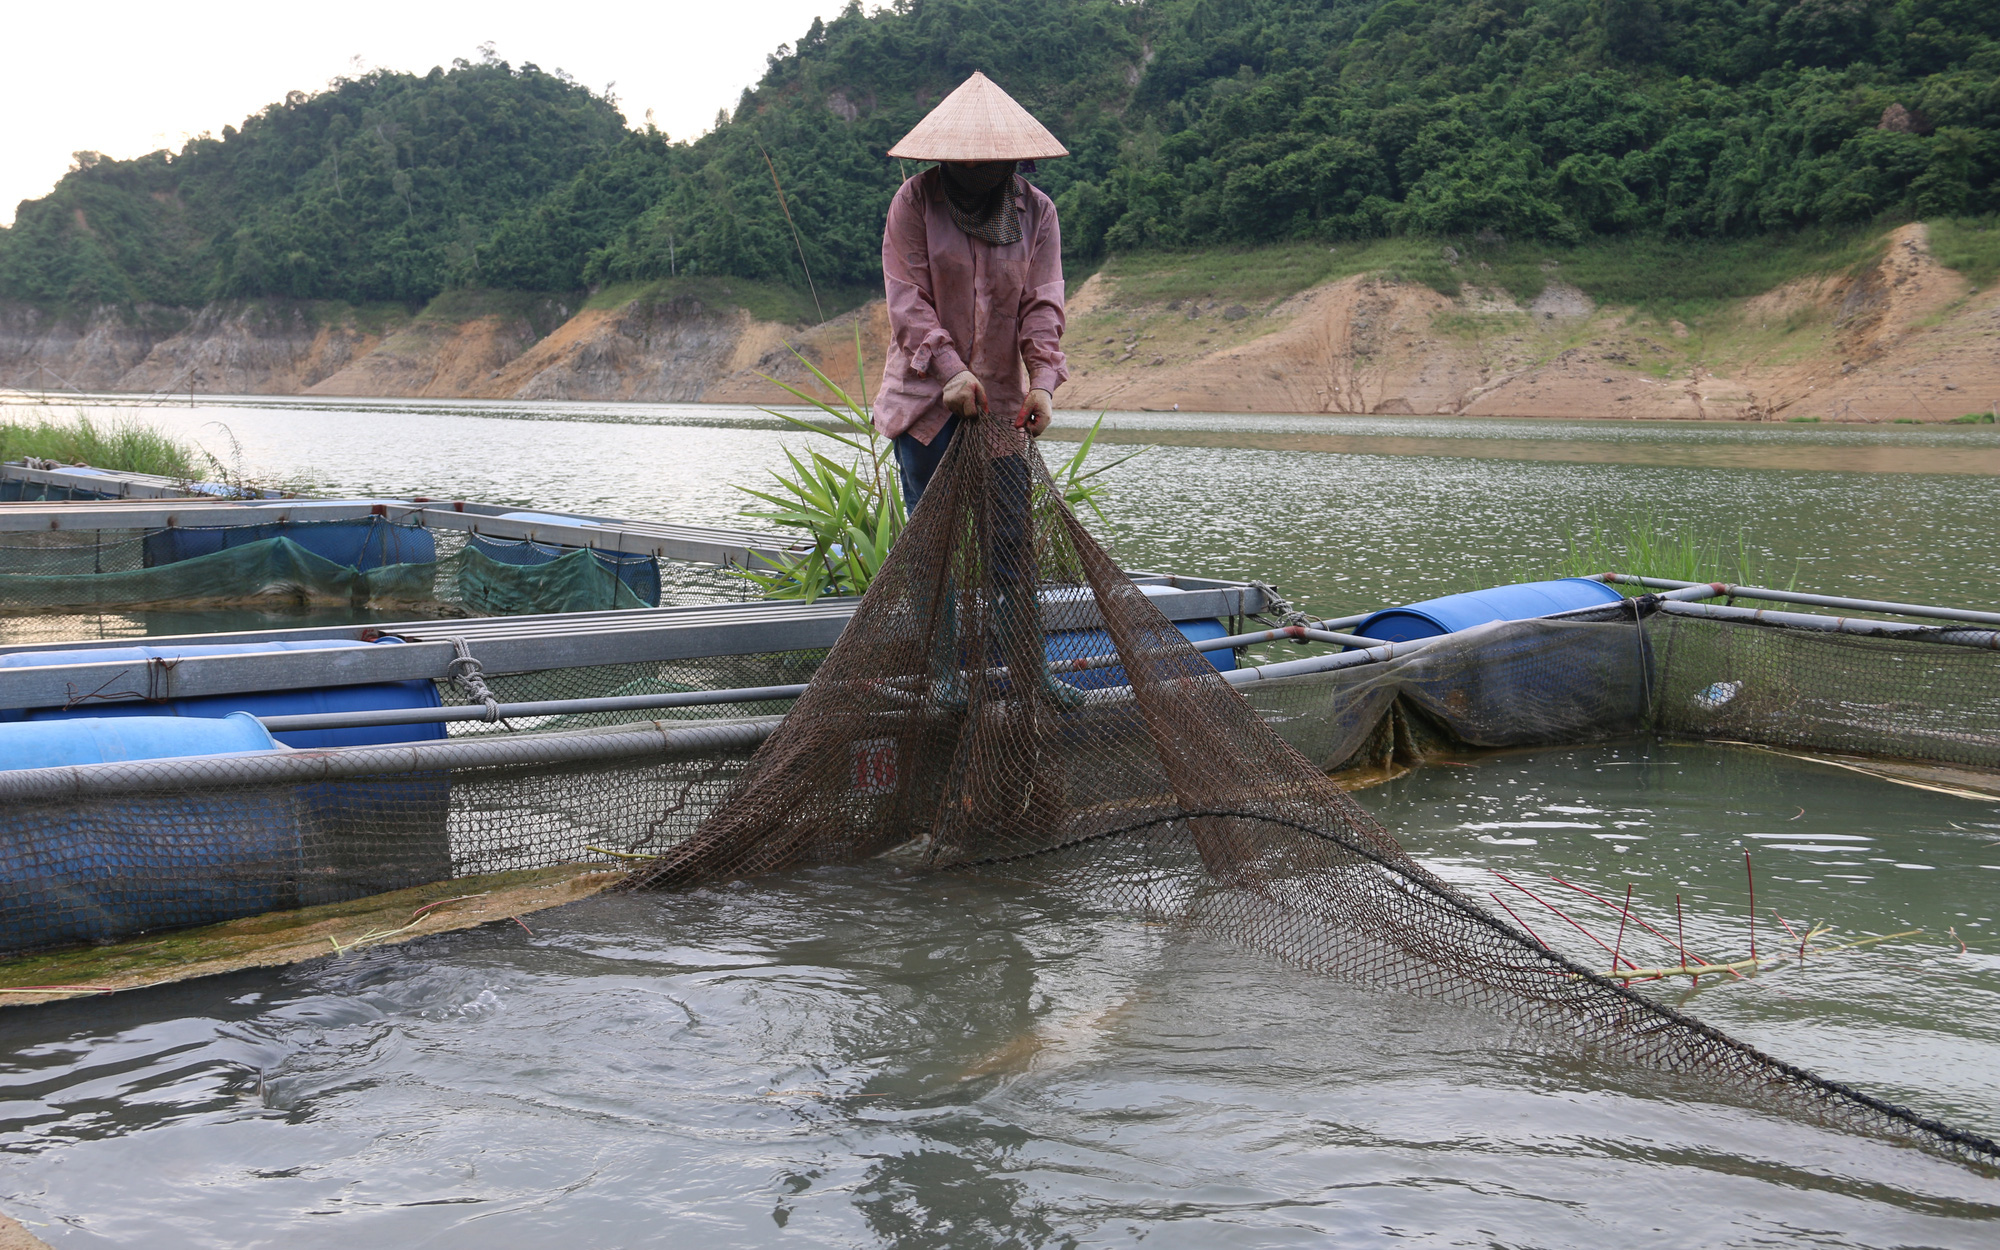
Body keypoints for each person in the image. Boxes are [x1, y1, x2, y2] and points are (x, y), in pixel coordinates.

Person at [874, 72, 1070, 512]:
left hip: (1000, 406)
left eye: (982, 162)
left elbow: (1042, 306)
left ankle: (1001, 587)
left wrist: (1042, 384)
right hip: (926, 401)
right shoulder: (915, 201)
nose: (970, 170)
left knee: (1008, 532)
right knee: (930, 538)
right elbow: (907, 302)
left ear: (1009, 159)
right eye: (961, 161)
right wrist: (952, 371)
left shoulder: (1037, 212)